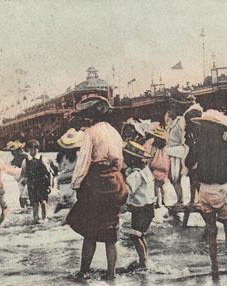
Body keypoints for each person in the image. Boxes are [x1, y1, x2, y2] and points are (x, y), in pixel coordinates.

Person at [66, 96, 128, 279]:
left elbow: (83, 162)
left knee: (89, 231)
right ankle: (111, 274)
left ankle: (83, 272)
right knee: (111, 234)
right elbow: (120, 161)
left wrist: (76, 185)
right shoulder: (115, 132)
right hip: (115, 182)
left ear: (90, 116)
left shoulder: (90, 133)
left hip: (96, 183)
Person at [186, 110, 227, 275]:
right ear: (221, 129)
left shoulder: (198, 145)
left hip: (205, 189)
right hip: (223, 190)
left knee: (211, 230)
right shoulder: (225, 145)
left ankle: (214, 267)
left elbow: (188, 162)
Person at [122, 141, 155, 269]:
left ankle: (143, 262)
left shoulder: (136, 175)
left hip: (140, 209)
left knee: (135, 235)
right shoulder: (146, 171)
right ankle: (145, 258)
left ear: (132, 160)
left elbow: (128, 190)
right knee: (140, 234)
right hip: (148, 207)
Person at [21, 139, 54, 224]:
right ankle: (36, 219)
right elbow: (24, 174)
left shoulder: (42, 159)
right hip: (32, 185)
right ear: (28, 150)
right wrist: (24, 187)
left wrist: (50, 185)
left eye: (35, 149)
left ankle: (44, 219)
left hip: (42, 184)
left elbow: (49, 173)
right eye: (31, 149)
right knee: (34, 204)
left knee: (43, 202)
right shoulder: (25, 161)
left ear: (38, 149)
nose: (33, 151)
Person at [54, 128, 84, 213]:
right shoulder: (77, 155)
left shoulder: (63, 156)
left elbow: (60, 171)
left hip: (66, 181)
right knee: (73, 203)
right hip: (72, 182)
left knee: (68, 202)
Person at [143, 127, 169, 207]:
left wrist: (147, 164)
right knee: (161, 185)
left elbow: (149, 156)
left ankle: (158, 202)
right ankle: (163, 199)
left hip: (155, 167)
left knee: (156, 186)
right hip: (164, 168)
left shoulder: (154, 146)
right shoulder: (165, 148)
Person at [165, 109, 186, 206]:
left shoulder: (178, 123)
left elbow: (182, 138)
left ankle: (180, 200)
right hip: (171, 153)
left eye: (166, 115)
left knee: (175, 178)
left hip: (176, 153)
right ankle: (179, 198)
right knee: (171, 177)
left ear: (169, 116)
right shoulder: (169, 126)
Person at [7, 140, 29, 210]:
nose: (11, 152)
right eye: (11, 151)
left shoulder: (25, 156)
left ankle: (27, 211)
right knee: (23, 198)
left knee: (23, 198)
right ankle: (27, 211)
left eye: (13, 151)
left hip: (26, 179)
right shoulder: (15, 159)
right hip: (21, 180)